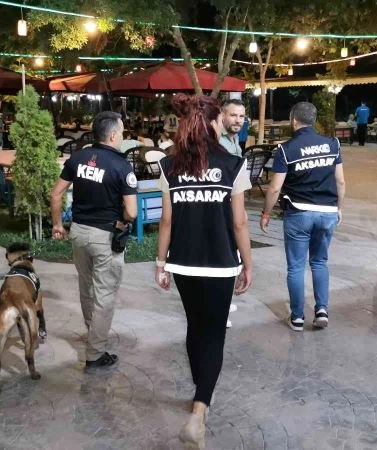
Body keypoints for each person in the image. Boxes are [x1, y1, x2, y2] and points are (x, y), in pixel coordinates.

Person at [155, 94, 253, 448]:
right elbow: (239, 222)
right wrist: (248, 264)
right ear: (213, 122)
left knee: (195, 326)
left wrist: (160, 263)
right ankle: (199, 411)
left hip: (183, 263)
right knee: (214, 335)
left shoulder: (169, 165)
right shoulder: (233, 164)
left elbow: (166, 221)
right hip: (221, 263)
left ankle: (202, 389)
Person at [50, 111, 138, 371]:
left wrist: (57, 225)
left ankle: (93, 334)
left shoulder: (78, 158)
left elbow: (56, 195)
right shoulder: (122, 166)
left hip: (78, 233)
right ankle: (95, 354)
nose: (122, 136)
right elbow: (132, 212)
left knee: (86, 288)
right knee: (104, 295)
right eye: (121, 132)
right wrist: (123, 220)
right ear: (112, 136)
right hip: (105, 237)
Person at [260, 102, 346, 331]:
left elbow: (274, 188)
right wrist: (339, 207)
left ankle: (297, 317)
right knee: (319, 262)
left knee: (296, 267)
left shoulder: (286, 149)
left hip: (299, 213)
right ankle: (322, 310)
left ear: (293, 120)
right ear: (314, 120)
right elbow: (340, 181)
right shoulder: (333, 144)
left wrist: (266, 213)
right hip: (327, 213)